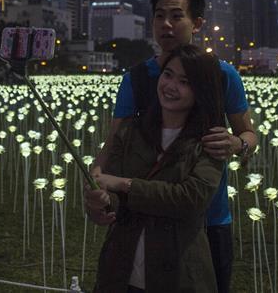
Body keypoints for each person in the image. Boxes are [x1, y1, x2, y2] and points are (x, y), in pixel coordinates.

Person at [92, 0, 257, 293]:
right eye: (159, 16)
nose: (165, 25)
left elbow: (247, 132)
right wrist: (97, 182)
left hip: (208, 217)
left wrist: (238, 144)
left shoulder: (222, 75)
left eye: (176, 16)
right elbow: (114, 142)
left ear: (196, 23)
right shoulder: (137, 79)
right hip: (145, 215)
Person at [86, 44, 225, 292]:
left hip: (179, 274)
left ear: (200, 91)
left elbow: (190, 200)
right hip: (120, 271)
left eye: (185, 82)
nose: (171, 86)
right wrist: (101, 204)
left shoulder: (211, 142)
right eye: (168, 74)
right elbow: (114, 199)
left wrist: (123, 184)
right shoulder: (130, 130)